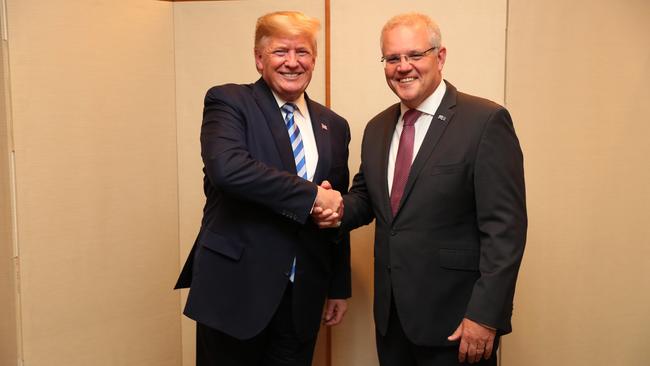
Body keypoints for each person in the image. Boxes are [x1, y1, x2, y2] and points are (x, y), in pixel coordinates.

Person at [314, 12, 527, 366]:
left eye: (415, 55)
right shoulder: (377, 128)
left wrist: (486, 316)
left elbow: (505, 229)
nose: (403, 67)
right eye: (393, 58)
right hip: (392, 319)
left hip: (458, 322)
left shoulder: (485, 121)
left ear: (440, 57)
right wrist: (335, 208)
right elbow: (368, 199)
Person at [175, 11, 351, 366]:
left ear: (314, 59)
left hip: (303, 293)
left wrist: (338, 286)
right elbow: (229, 170)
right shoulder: (229, 102)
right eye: (279, 52)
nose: (292, 62)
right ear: (259, 59)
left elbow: (336, 214)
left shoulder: (334, 125)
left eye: (302, 52)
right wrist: (312, 195)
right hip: (236, 288)